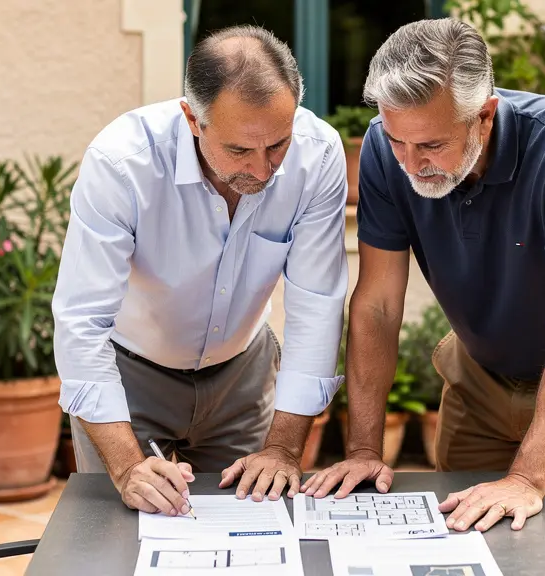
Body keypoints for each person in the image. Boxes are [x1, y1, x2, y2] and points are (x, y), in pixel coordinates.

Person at [300, 18, 545, 575]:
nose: (412, 163)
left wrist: (527, 478)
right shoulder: (382, 149)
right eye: (398, 141)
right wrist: (365, 452)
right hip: (479, 374)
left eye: (433, 144)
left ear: (484, 116)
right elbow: (377, 306)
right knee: (457, 551)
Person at [52, 24, 348, 518]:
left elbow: (317, 305)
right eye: (239, 150)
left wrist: (284, 448)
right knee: (116, 538)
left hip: (242, 373)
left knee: (251, 530)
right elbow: (81, 321)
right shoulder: (122, 163)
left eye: (277, 145)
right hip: (129, 372)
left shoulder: (318, 155)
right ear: (193, 118)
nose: (262, 169)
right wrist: (126, 468)